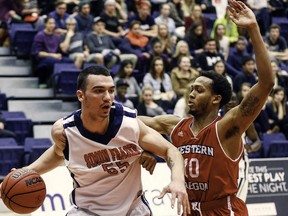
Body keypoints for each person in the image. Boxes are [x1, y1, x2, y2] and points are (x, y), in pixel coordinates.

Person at [139, 0, 274, 214]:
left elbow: (266, 83)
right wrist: (143, 148)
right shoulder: (174, 125)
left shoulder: (227, 126)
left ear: (215, 99)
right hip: (188, 210)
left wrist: (253, 29)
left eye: (199, 90)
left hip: (222, 210)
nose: (192, 93)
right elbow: (129, 122)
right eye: (192, 88)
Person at [0, 65, 190, 216]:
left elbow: (171, 151)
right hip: (88, 211)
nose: (107, 98)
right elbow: (59, 154)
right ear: (80, 95)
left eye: (111, 91)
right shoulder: (65, 132)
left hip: (132, 211)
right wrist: (26, 172)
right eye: (99, 91)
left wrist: (177, 181)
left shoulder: (130, 124)